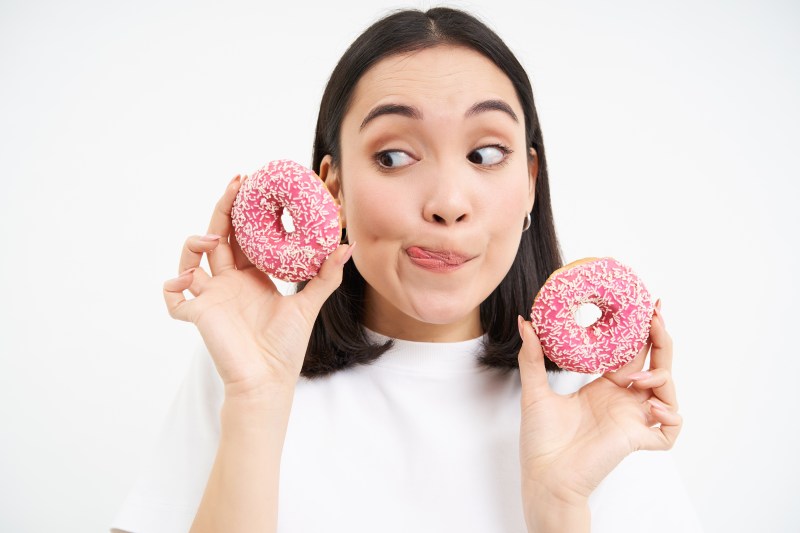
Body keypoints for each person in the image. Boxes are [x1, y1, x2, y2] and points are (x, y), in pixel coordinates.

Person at [111, 7, 703, 533]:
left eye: (485, 154)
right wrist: (257, 402)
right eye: (393, 156)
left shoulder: (591, 407)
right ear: (332, 187)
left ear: (529, 183)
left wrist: (559, 506)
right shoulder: (250, 365)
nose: (448, 200)